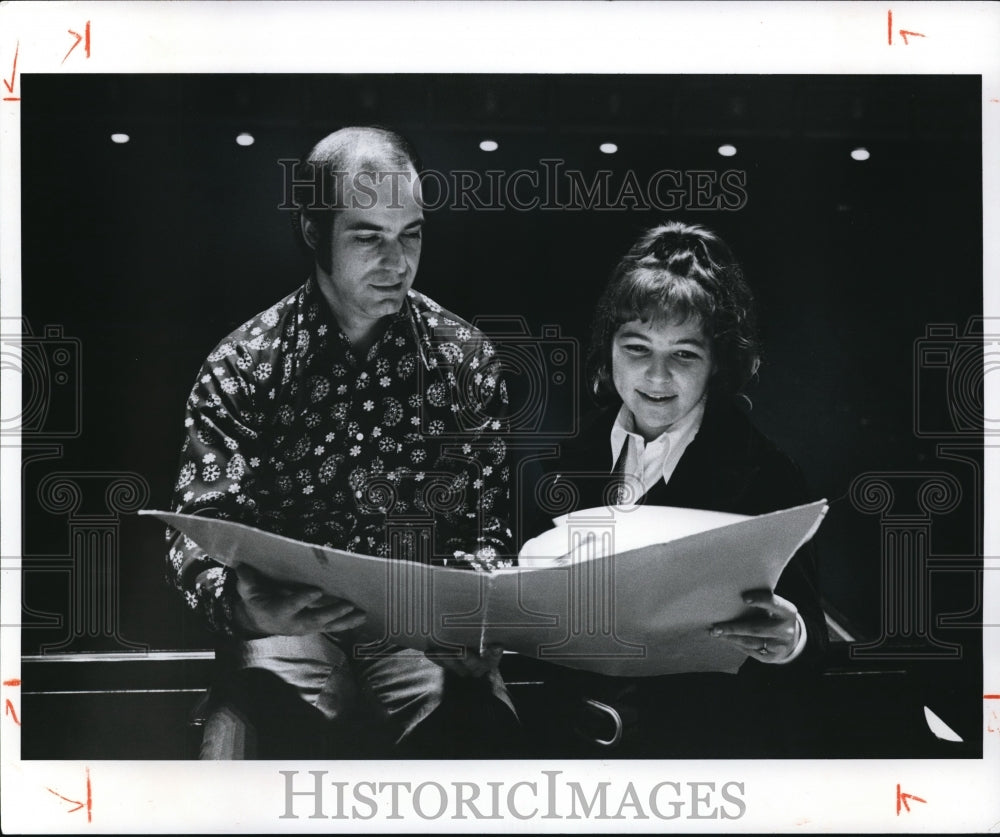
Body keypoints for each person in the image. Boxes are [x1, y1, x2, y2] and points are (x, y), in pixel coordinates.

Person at [165, 126, 518, 759]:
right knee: (248, 726)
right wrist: (243, 608)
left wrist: (479, 615)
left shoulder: (466, 360)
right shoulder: (245, 363)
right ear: (311, 231)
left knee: (463, 720)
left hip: (418, 629)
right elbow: (196, 533)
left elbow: (486, 530)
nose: (397, 262)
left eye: (410, 233)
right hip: (289, 626)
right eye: (367, 236)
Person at [524, 220, 828, 757]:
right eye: (637, 347)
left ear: (717, 364)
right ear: (608, 348)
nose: (656, 377)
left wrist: (790, 641)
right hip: (567, 749)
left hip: (703, 750)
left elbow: (811, 646)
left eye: (684, 354)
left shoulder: (768, 474)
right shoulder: (560, 465)